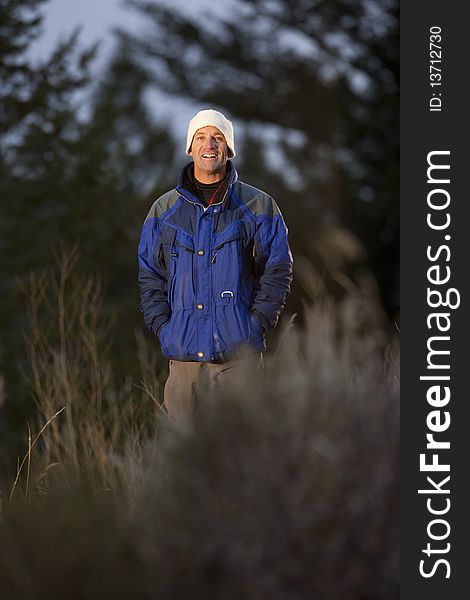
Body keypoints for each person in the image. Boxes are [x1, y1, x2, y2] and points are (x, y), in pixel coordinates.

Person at [138, 109, 293, 422]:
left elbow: (277, 270)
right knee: (181, 460)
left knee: (241, 457)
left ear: (229, 148)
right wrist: (164, 329)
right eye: (201, 137)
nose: (209, 144)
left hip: (238, 361)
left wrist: (255, 325)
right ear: (190, 148)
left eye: (218, 137)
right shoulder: (163, 210)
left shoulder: (258, 205)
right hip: (183, 364)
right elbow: (150, 276)